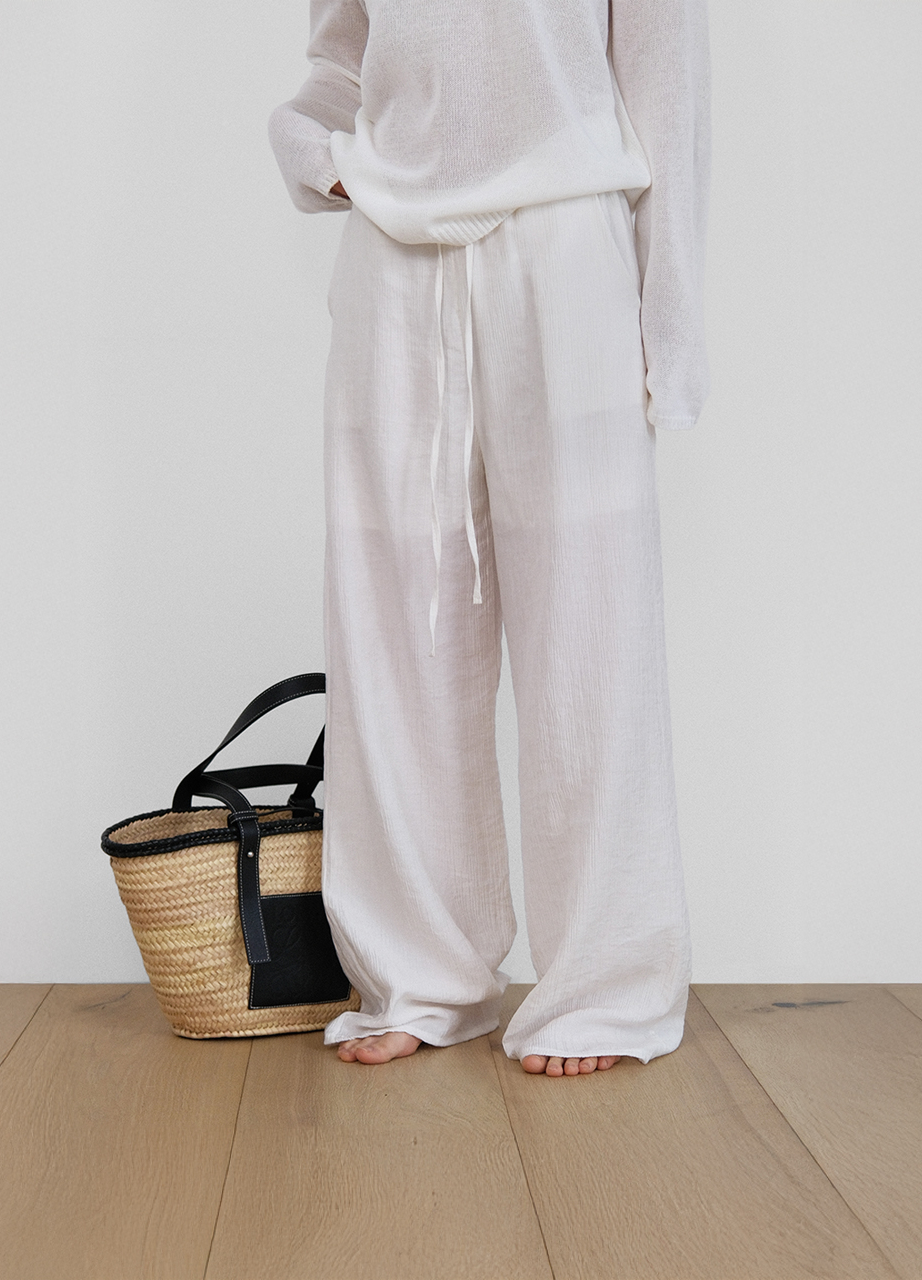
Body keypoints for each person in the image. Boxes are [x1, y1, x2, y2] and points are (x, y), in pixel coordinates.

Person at [268, 0, 710, 1077]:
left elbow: (668, 82)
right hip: (392, 253)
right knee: (390, 628)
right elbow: (343, 59)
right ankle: (420, 971)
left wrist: (671, 319)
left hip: (566, 240)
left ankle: (604, 985)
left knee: (590, 631)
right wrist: (310, 146)